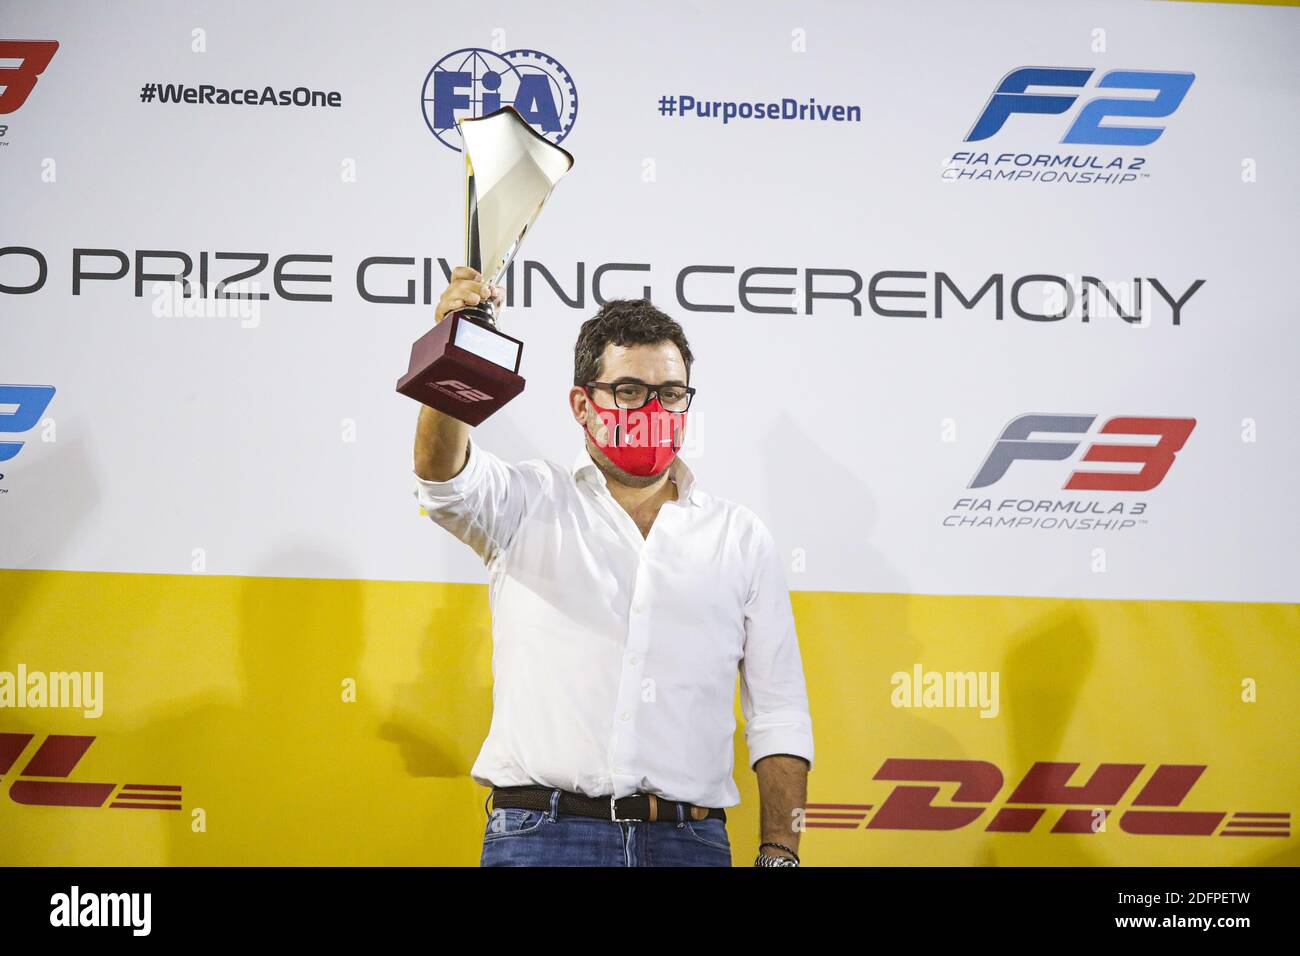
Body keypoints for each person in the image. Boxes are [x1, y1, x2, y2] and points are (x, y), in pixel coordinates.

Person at [412, 266, 814, 867]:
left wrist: (780, 851)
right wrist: (455, 353)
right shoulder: (525, 500)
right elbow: (440, 476)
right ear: (583, 402)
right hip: (542, 836)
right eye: (629, 391)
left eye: (670, 393)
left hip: (690, 842)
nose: (653, 407)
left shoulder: (739, 537)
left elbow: (778, 712)